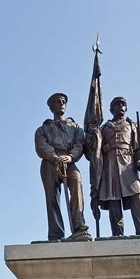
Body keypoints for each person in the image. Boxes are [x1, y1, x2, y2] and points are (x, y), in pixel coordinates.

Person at [96, 96, 140, 237]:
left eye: (123, 104)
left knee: (137, 193)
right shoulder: (103, 128)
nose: (121, 107)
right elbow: (94, 149)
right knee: (113, 199)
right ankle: (117, 233)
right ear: (111, 109)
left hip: (128, 164)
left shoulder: (133, 125)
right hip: (109, 166)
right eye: (117, 104)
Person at [35, 93, 91, 241]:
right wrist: (55, 157)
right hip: (50, 163)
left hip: (69, 161)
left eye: (63, 101)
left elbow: (80, 144)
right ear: (51, 107)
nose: (61, 104)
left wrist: (70, 157)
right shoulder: (43, 129)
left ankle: (78, 225)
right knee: (52, 198)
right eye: (57, 102)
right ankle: (56, 234)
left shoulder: (75, 127)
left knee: (76, 181)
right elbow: (41, 147)